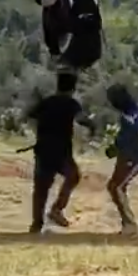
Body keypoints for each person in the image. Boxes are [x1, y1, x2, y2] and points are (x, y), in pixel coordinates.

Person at [25, 71, 96, 234]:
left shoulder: (46, 102)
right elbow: (82, 119)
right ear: (73, 88)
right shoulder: (71, 104)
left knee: (41, 188)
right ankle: (57, 209)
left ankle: (37, 223)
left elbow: (29, 116)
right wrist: (92, 126)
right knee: (73, 176)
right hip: (61, 151)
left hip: (43, 149)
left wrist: (38, 132)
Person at [105, 82, 138, 236]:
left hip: (134, 159)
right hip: (128, 157)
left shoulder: (132, 117)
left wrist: (117, 149)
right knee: (115, 187)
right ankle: (127, 224)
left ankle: (130, 225)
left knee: (116, 187)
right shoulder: (132, 113)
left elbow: (133, 139)